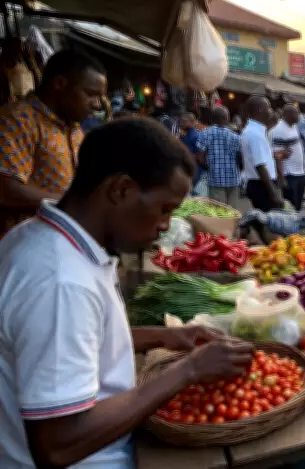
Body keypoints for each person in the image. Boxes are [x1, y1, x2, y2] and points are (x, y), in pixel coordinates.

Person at [0, 118, 254, 468]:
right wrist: (188, 370)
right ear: (120, 190)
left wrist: (167, 336)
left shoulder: (42, 238)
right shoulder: (60, 282)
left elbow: (81, 340)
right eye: (164, 209)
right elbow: (58, 445)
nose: (166, 226)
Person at [0, 50, 105, 239]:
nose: (97, 105)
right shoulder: (18, 119)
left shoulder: (73, 128)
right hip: (24, 246)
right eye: (91, 94)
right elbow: (7, 190)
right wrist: (72, 204)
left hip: (61, 241)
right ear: (60, 84)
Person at [241, 96, 283, 212]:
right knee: (270, 223)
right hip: (262, 185)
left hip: (259, 183)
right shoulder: (255, 134)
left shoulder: (253, 131)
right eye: (268, 107)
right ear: (260, 110)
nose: (271, 111)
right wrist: (273, 193)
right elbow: (260, 166)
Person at [197, 106, 241, 206]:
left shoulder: (205, 134)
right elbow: (240, 158)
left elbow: (199, 157)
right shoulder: (235, 136)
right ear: (227, 119)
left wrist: (209, 168)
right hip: (233, 179)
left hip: (215, 180)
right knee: (232, 212)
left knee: (218, 213)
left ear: (212, 119)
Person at [271, 105, 305, 211]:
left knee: (298, 204)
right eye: (296, 113)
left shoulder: (293, 126)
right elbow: (277, 156)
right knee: (290, 206)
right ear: (287, 115)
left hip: (300, 173)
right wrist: (282, 178)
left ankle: (296, 224)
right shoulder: (279, 130)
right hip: (289, 174)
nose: (299, 115)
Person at [179, 113, 205, 195]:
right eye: (181, 121)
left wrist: (188, 155)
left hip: (195, 168)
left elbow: (200, 154)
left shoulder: (195, 135)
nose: (181, 123)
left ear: (191, 122)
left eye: (184, 121)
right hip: (188, 168)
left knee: (194, 193)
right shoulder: (185, 134)